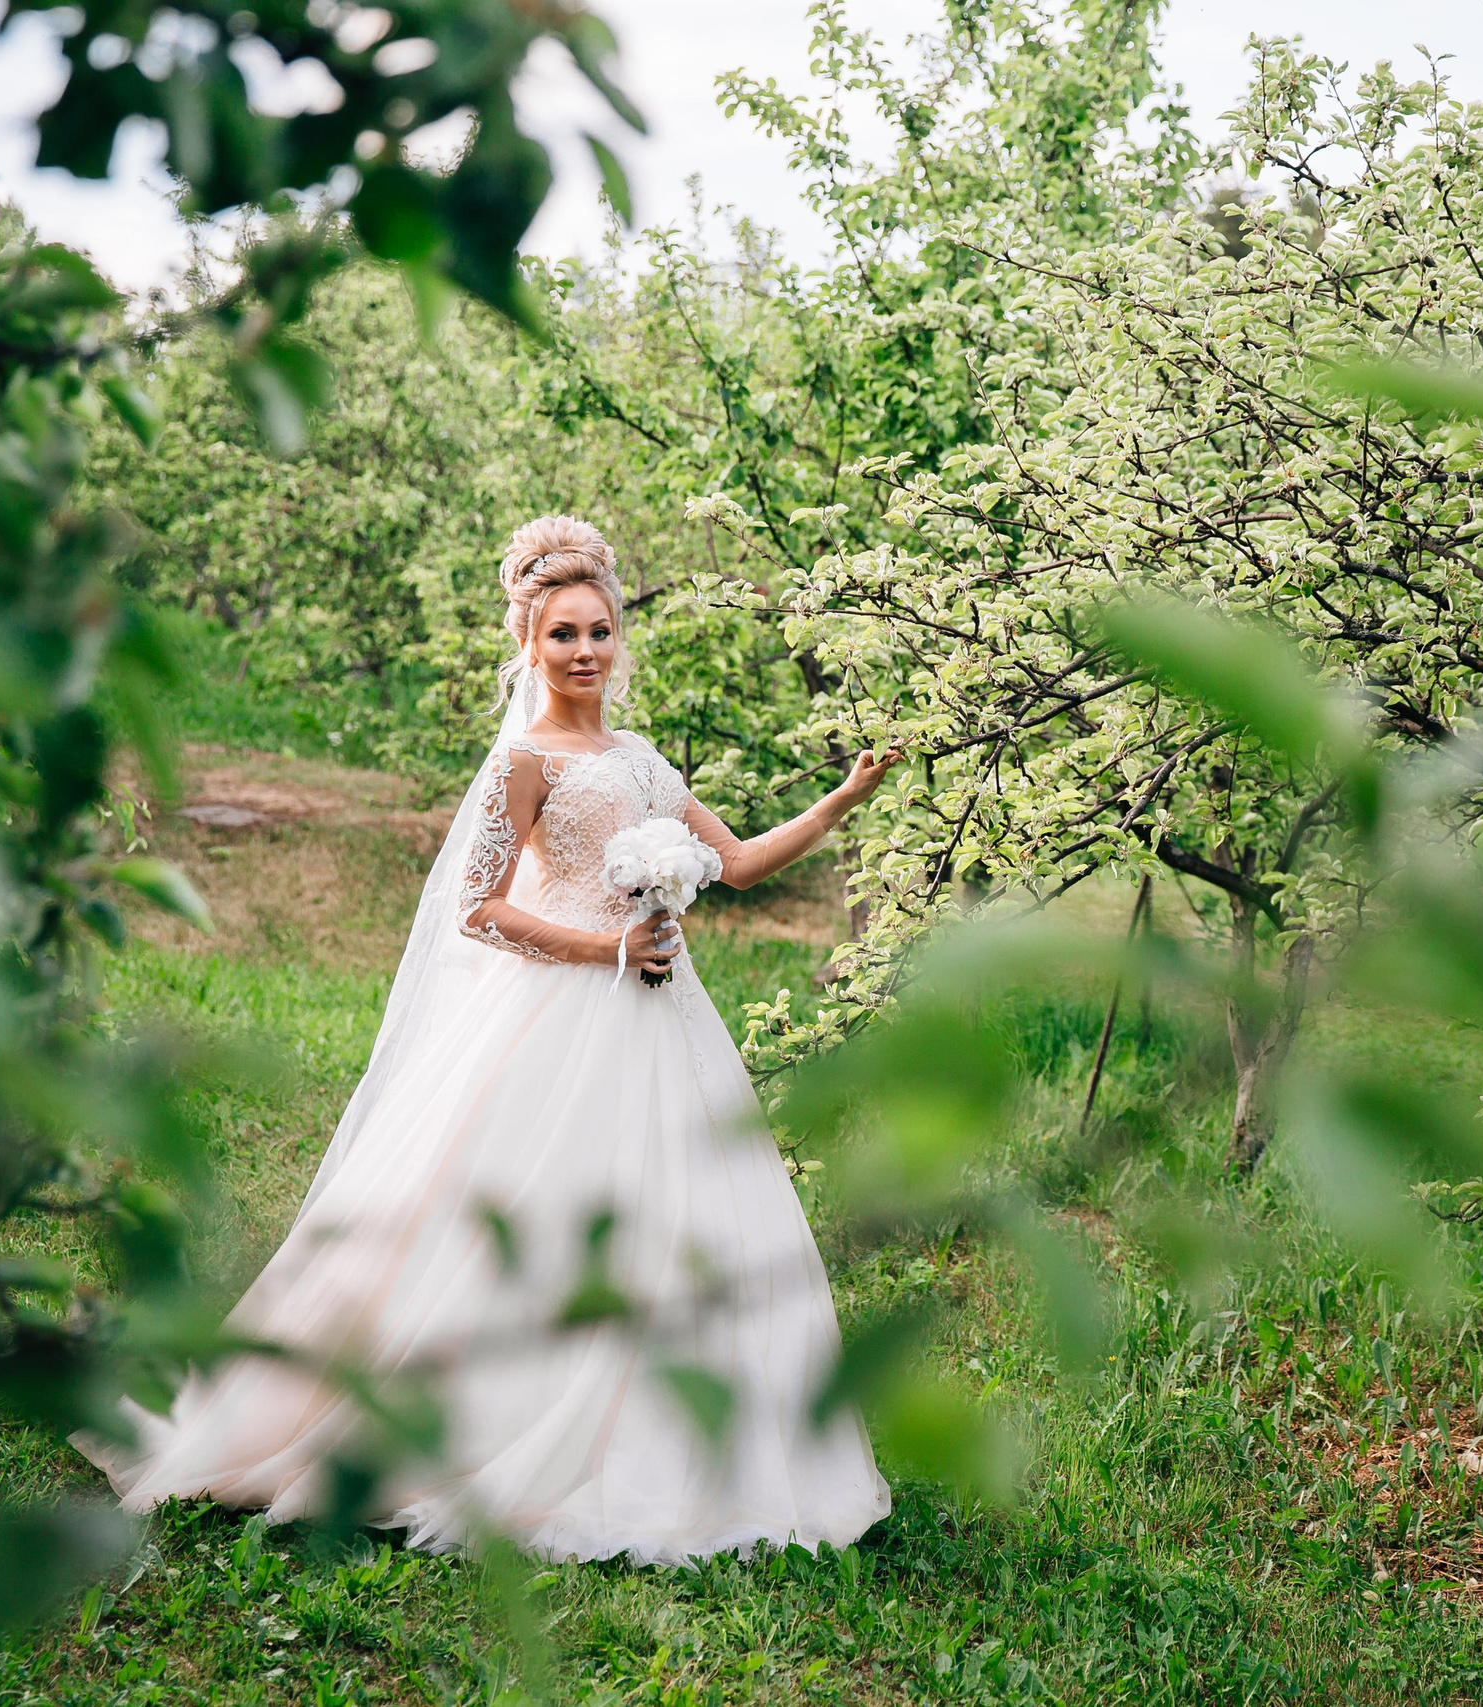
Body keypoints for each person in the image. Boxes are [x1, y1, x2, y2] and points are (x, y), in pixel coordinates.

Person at [78, 515, 900, 1564]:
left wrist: (840, 801)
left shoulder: (642, 759)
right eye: (563, 635)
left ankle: (683, 1435)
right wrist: (604, 949)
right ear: (529, 645)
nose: (585, 652)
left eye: (599, 631)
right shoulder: (527, 760)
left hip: (666, 1020)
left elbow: (735, 866)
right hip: (564, 1013)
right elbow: (481, 910)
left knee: (681, 1212)